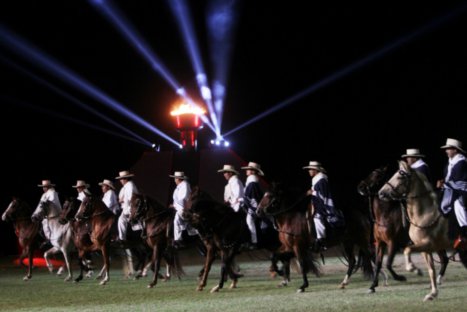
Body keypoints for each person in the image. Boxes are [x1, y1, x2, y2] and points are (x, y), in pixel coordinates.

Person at [303, 161, 345, 251]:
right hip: (316, 203)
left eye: (310, 169)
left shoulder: (321, 179)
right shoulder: (316, 179)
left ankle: (321, 239)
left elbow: (323, 193)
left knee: (317, 218)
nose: (309, 171)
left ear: (315, 170)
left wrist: (312, 192)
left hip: (323, 204)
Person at [437, 138, 467, 249]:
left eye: (448, 149)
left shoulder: (461, 162)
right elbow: (448, 179)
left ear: (455, 150)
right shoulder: (450, 163)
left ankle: (464, 233)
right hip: (451, 190)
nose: (446, 151)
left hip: (462, 191)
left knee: (458, 205)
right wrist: (443, 183)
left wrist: (444, 184)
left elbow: (460, 182)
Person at [240, 161, 265, 250]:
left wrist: (242, 201)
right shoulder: (251, 181)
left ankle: (254, 241)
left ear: (253, 172)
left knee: (249, 220)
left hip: (254, 206)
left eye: (249, 169)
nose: (247, 171)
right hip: (252, 205)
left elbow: (252, 198)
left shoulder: (252, 182)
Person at [170, 171, 197, 248]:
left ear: (178, 179)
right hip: (178, 208)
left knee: (177, 220)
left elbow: (183, 199)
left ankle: (178, 240)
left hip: (184, 208)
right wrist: (173, 205)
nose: (174, 180)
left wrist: (174, 205)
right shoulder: (178, 187)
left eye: (175, 178)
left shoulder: (185, 185)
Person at [115, 170, 139, 243]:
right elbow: (120, 198)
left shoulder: (130, 185)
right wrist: (121, 200)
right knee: (121, 220)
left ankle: (125, 238)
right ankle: (122, 238)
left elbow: (131, 199)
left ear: (125, 179)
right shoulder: (125, 187)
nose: (120, 181)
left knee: (127, 221)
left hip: (131, 208)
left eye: (121, 179)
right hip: (125, 208)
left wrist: (123, 200)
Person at [36, 180, 62, 248]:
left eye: (45, 187)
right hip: (46, 213)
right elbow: (40, 205)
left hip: (54, 213)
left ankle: (49, 240)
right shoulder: (44, 194)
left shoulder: (53, 193)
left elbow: (51, 204)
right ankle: (46, 239)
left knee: (45, 223)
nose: (43, 188)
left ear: (49, 187)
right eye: (43, 187)